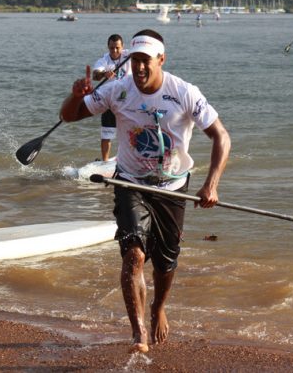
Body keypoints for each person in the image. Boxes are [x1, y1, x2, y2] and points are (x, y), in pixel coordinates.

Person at [60, 29, 231, 353]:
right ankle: (139, 333)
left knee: (165, 263)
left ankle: (158, 308)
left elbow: (221, 136)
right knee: (134, 255)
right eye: (134, 60)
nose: (139, 68)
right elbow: (68, 116)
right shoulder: (117, 90)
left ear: (160, 60)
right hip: (130, 183)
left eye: (145, 61)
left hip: (173, 187)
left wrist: (211, 184)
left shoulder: (184, 92)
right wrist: (74, 95)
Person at [92, 34, 132, 161]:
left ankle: (130, 158)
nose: (114, 51)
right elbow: (95, 75)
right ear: (108, 47)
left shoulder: (129, 55)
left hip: (127, 101)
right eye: (111, 48)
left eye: (117, 48)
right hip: (109, 101)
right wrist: (104, 73)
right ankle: (104, 161)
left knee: (131, 132)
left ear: (122, 47)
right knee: (107, 133)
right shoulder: (104, 60)